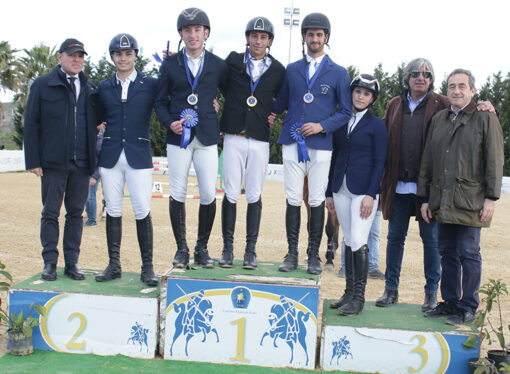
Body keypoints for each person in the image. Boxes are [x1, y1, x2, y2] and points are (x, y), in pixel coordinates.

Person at [376, 58, 495, 312]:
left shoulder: (442, 103)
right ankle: (390, 289)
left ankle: (432, 293)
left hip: (430, 192)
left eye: (427, 74)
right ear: (407, 77)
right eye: (416, 73)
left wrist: (486, 105)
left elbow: (467, 111)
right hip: (398, 187)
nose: (422, 77)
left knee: (433, 245)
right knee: (395, 239)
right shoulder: (394, 105)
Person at [418, 69, 504, 325]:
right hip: (442, 199)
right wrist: (425, 198)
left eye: (462, 86)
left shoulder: (485, 118)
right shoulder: (440, 119)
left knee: (468, 252)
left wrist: (491, 198)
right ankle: (451, 302)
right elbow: (428, 160)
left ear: (472, 91)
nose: (456, 91)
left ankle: (468, 307)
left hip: (470, 200)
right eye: (452, 86)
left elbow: (495, 160)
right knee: (446, 252)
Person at [272, 12, 352, 275]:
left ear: (326, 38)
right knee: (293, 199)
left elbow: (345, 112)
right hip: (292, 142)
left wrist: (322, 126)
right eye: (310, 34)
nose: (314, 38)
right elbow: (280, 102)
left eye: (319, 35)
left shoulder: (339, 73)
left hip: (321, 144)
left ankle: (314, 255)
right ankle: (292, 253)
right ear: (304, 37)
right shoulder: (292, 69)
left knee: (316, 200)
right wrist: (250, 101)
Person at [155, 8, 228, 269]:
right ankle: (181, 249)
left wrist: (219, 106)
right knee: (178, 191)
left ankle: (202, 248)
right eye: (188, 30)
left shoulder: (219, 65)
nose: (193, 35)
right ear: (181, 34)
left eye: (198, 30)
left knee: (209, 192)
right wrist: (169, 123)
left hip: (207, 136)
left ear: (206, 33)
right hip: (178, 138)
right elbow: (160, 102)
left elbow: (234, 93)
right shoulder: (170, 65)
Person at [24, 38, 100, 281]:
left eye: (81, 56)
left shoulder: (90, 88)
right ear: (60, 57)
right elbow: (31, 123)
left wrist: (93, 165)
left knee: (76, 214)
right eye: (72, 55)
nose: (77, 60)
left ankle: (72, 263)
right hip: (53, 162)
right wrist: (33, 160)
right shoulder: (42, 85)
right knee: (50, 213)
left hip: (81, 163)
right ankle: (49, 263)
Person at [218, 16, 285, 269]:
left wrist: (272, 110)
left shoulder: (278, 69)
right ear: (247, 38)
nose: (258, 41)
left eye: (263, 37)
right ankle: (227, 249)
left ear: (269, 41)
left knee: (255, 193)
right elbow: (218, 83)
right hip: (234, 135)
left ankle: (250, 251)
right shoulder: (234, 60)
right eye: (254, 36)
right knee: (232, 193)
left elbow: (284, 96)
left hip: (259, 138)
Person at [94, 34, 158, 286]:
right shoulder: (103, 86)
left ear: (135, 56)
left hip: (138, 154)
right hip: (110, 155)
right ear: (112, 57)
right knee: (113, 209)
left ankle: (148, 267)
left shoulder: (150, 84)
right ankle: (114, 264)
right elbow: (97, 117)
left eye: (128, 53)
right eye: (118, 54)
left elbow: (166, 104)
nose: (123, 58)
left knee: (142, 209)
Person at [326, 74, 388, 315]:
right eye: (358, 91)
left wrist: (371, 194)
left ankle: (359, 298)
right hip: (340, 188)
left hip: (364, 192)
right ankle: (348, 293)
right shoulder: (341, 121)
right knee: (349, 240)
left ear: (372, 99)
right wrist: (329, 191)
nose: (361, 96)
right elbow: (334, 155)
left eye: (366, 93)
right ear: (351, 93)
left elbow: (380, 161)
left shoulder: (377, 125)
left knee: (360, 241)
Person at [337, 211, 384, 279]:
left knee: (374, 233)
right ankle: (346, 266)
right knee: (349, 234)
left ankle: (372, 267)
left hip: (375, 204)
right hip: (353, 202)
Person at [84, 124, 105, 227]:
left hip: (94, 173)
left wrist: (95, 176)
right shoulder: (91, 139)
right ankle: (89, 216)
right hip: (87, 172)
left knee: (90, 196)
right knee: (86, 195)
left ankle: (92, 219)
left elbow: (102, 160)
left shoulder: (100, 141)